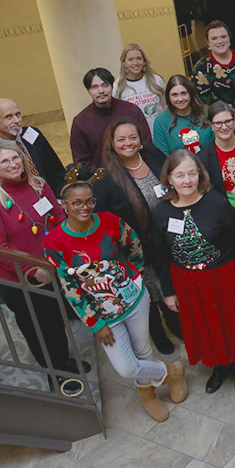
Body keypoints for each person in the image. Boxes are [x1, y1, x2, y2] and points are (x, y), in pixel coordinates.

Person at [45, 168, 186, 422]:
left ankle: (147, 396)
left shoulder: (110, 220)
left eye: (89, 201)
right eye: (76, 203)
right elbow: (70, 287)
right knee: (126, 367)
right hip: (103, 315)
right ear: (64, 205)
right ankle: (172, 372)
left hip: (135, 300)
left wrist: (136, 273)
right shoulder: (55, 242)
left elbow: (133, 245)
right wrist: (95, 323)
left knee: (143, 352)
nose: (84, 207)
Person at [153, 150, 235, 397]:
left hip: (223, 276)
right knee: (205, 325)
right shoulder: (161, 212)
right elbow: (161, 256)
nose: (187, 180)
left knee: (231, 322)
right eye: (179, 175)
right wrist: (168, 292)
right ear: (169, 179)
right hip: (188, 282)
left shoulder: (216, 203)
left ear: (200, 174)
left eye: (192, 173)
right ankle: (218, 366)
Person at [0, 142, 73, 375]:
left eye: (16, 158)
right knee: (38, 329)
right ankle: (55, 372)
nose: (13, 164)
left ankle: (64, 360)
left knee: (56, 321)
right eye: (5, 161)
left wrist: (61, 253)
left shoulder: (39, 185)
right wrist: (33, 270)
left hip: (52, 270)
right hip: (22, 282)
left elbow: (59, 218)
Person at [90, 118, 180, 355]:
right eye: (121, 139)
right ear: (112, 143)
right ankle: (157, 333)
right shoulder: (106, 177)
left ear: (140, 140)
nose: (128, 143)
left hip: (167, 238)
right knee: (149, 293)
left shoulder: (152, 154)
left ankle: (175, 323)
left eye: (133, 137)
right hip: (135, 248)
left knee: (170, 286)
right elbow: (103, 221)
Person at [0, 98, 66, 196]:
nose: (17, 121)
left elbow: (56, 168)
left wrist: (62, 195)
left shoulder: (33, 134)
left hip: (52, 196)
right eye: (8, 117)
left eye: (18, 114)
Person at [70, 68, 152, 168]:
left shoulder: (132, 111)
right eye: (94, 87)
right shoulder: (80, 122)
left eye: (105, 85)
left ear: (112, 86)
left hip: (137, 170)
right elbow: (82, 162)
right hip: (102, 178)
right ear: (88, 91)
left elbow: (147, 145)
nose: (101, 91)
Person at [192, 21, 235, 107]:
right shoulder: (201, 68)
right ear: (207, 42)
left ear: (229, 37)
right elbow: (203, 101)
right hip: (220, 116)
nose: (220, 41)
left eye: (223, 37)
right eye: (214, 38)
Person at [154, 76, 213, 156]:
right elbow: (162, 157)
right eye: (175, 95)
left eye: (184, 93)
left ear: (191, 93)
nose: (180, 99)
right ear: (168, 97)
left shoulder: (207, 112)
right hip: (179, 167)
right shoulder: (161, 121)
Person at [115, 43, 166, 133]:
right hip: (136, 138)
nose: (136, 63)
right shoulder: (117, 86)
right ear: (124, 63)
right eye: (130, 59)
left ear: (144, 61)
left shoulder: (156, 80)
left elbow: (163, 105)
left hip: (160, 134)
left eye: (139, 59)